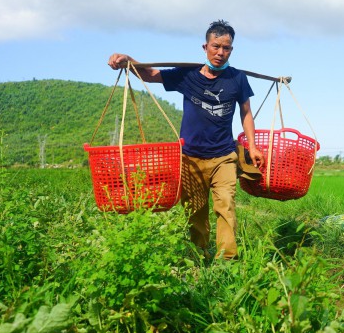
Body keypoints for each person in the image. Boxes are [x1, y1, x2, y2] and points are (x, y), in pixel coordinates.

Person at [108, 20, 264, 260]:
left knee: (226, 205)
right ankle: (200, 256)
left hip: (224, 156)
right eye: (216, 46)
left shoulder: (237, 79)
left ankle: (227, 261)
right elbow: (150, 75)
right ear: (205, 47)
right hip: (190, 158)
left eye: (227, 48)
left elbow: (246, 112)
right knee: (196, 211)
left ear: (231, 50)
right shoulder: (187, 76)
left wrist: (252, 147)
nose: (220, 53)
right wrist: (128, 60)